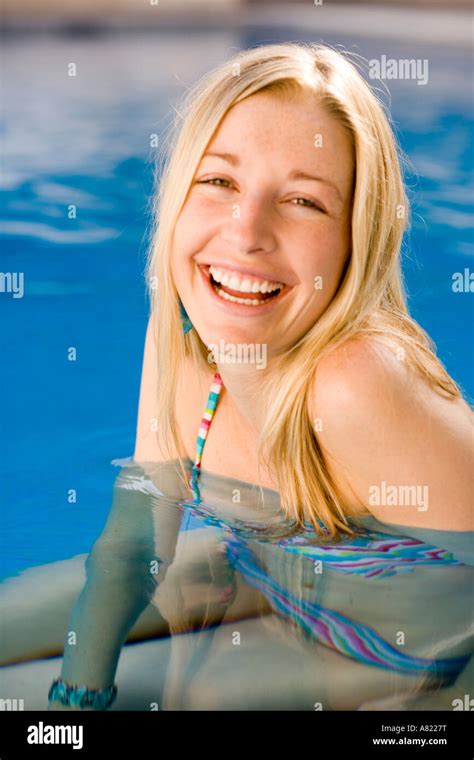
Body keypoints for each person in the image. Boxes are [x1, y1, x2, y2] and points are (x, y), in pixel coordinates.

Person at [47, 42, 473, 712]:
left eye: (303, 200)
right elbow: (134, 538)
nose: (246, 233)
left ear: (356, 240)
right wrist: (76, 699)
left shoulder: (353, 383)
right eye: (219, 182)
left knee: (204, 700)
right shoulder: (184, 329)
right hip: (261, 574)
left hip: (385, 647)